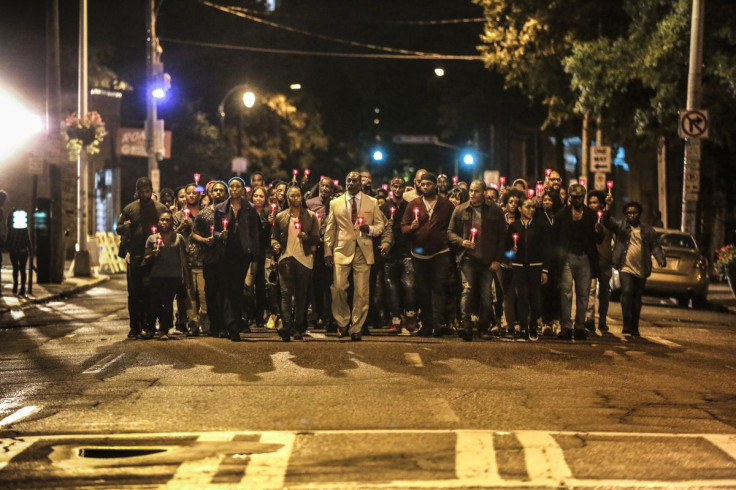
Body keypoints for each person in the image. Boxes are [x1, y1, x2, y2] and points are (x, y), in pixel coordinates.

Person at [324, 170, 387, 341]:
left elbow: (381, 225)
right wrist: (327, 251)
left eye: (354, 181)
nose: (350, 183)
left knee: (361, 292)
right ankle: (342, 321)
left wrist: (370, 229)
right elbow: (330, 229)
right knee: (338, 288)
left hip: (363, 249)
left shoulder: (372, 202)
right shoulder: (335, 203)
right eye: (348, 181)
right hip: (341, 249)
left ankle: (356, 327)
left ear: (360, 183)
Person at [447, 180, 506, 341]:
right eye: (471, 190)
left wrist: (497, 260)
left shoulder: (495, 210)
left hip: (487, 260)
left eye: (476, 191)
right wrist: (461, 241)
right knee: (467, 290)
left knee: (486, 295)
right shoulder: (461, 209)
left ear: (484, 193)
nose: (472, 193)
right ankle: (465, 326)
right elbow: (450, 232)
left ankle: (483, 327)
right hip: (467, 258)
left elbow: (502, 237)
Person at [401, 172, 455, 337]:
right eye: (422, 185)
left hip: (441, 252)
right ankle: (426, 324)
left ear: (435, 185)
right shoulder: (413, 204)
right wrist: (412, 228)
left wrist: (446, 237)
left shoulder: (446, 204)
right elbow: (403, 227)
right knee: (422, 289)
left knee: (439, 287)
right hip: (419, 254)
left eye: (429, 184)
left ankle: (439, 324)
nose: (425, 187)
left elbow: (453, 226)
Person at [603, 198, 666, 337]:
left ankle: (634, 326)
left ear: (639, 214)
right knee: (627, 291)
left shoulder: (647, 230)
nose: (632, 215)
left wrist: (660, 258)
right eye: (629, 213)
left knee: (637, 297)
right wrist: (608, 206)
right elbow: (607, 221)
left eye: (635, 212)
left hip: (641, 267)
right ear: (625, 214)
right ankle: (627, 323)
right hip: (625, 266)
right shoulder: (621, 226)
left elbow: (655, 245)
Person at [116, 177, 169, 339]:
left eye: (148, 191)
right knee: (134, 293)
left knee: (151, 291)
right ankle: (134, 326)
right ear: (137, 191)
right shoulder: (130, 208)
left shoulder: (160, 208)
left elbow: (169, 226)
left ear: (152, 190)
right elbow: (118, 228)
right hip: (136, 255)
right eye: (142, 191)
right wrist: (124, 226)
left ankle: (149, 324)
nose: (145, 194)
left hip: (154, 256)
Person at [552, 183, 602, 340]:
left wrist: (599, 231)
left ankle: (580, 326)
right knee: (566, 292)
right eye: (574, 197)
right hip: (567, 257)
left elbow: (597, 240)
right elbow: (555, 238)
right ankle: (566, 326)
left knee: (583, 294)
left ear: (584, 197)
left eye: (580, 197)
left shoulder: (591, 215)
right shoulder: (562, 215)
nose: (577, 200)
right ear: (570, 197)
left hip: (585, 257)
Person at [214, 177, 260, 342]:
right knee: (226, 288)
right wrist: (220, 235)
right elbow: (214, 231)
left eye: (237, 186)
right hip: (225, 254)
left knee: (237, 288)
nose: (234, 189)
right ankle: (231, 324)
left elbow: (254, 233)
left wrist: (255, 255)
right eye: (231, 186)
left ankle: (235, 321)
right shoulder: (220, 208)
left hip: (243, 253)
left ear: (243, 189)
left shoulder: (250, 208)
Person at [271, 186, 321, 341]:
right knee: (286, 293)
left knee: (301, 294)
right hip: (286, 257)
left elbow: (316, 239)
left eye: (298, 195)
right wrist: (275, 244)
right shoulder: (280, 216)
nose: (295, 198)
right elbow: (274, 237)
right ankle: (287, 324)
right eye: (292, 196)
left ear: (302, 198)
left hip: (304, 259)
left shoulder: (311, 216)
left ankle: (299, 325)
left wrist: (306, 237)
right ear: (287, 198)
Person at [505, 195, 551, 341]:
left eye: (532, 207)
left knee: (535, 297)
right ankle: (524, 328)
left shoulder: (540, 225)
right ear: (520, 209)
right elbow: (506, 250)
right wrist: (511, 253)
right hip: (519, 266)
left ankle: (533, 328)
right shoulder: (514, 226)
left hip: (535, 266)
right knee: (522, 297)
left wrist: (545, 270)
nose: (531, 210)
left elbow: (546, 249)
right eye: (527, 207)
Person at [142, 212, 188, 340]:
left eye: (167, 220)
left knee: (168, 303)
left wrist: (185, 277)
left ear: (172, 222)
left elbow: (184, 257)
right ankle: (153, 326)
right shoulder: (152, 238)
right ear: (158, 222)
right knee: (155, 303)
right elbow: (145, 258)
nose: (164, 223)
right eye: (162, 220)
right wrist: (153, 254)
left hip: (173, 275)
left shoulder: (178, 238)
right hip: (157, 275)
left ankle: (164, 329)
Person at [191, 181, 229, 337]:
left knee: (225, 293)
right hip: (210, 258)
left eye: (221, 190)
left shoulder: (230, 211)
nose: (218, 193)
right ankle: (215, 325)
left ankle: (226, 324)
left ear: (226, 194)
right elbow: (194, 233)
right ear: (210, 193)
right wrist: (204, 240)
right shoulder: (203, 213)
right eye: (215, 190)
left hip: (227, 258)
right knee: (211, 292)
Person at [381, 177, 417, 334]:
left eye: (400, 186)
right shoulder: (383, 207)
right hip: (390, 254)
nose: (397, 189)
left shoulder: (409, 207)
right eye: (394, 186)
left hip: (406, 252)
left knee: (409, 286)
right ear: (390, 187)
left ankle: (410, 314)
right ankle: (395, 318)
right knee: (392, 288)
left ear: (404, 188)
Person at [306, 177, 335, 330]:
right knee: (315, 283)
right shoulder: (310, 204)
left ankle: (329, 316)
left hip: (330, 248)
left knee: (329, 285)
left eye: (328, 187)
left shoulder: (335, 204)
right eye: (322, 186)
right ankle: (315, 316)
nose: (324, 189)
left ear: (332, 190)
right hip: (314, 248)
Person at [585, 190, 613, 333]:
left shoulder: (607, 220)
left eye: (595, 202)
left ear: (601, 204)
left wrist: (608, 207)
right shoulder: (586, 218)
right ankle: (589, 319)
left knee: (604, 292)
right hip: (590, 258)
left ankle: (602, 320)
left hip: (604, 259)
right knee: (589, 290)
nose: (592, 205)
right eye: (589, 202)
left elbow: (612, 224)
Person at [5, 208, 31, 296]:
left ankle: (15, 285)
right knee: (22, 269)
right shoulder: (24, 227)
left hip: (14, 251)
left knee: (15, 269)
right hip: (23, 251)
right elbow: (27, 240)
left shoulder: (11, 228)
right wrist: (30, 250)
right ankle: (23, 287)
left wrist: (8, 247)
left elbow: (8, 240)